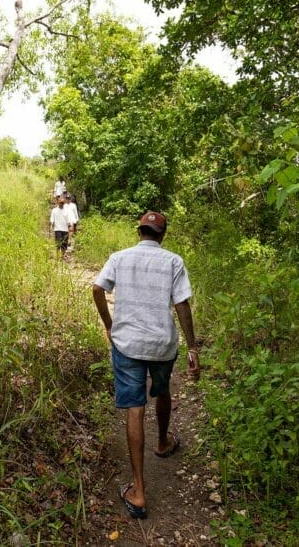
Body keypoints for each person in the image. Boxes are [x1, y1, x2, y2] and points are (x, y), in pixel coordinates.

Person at [92, 211, 200, 520]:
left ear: (139, 231)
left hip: (127, 344)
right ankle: (163, 441)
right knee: (162, 391)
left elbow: (98, 289)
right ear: (162, 234)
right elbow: (182, 304)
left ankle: (138, 491)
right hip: (162, 345)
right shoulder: (173, 261)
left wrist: (109, 325)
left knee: (134, 408)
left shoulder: (119, 258)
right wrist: (192, 347)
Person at [48, 195, 72, 260]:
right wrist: (51, 227)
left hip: (65, 230)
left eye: (62, 202)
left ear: (64, 203)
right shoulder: (54, 210)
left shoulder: (66, 211)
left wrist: (70, 227)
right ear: (58, 202)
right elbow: (52, 219)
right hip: (57, 229)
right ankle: (58, 256)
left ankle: (62, 256)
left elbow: (69, 220)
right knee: (58, 244)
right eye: (60, 202)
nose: (61, 203)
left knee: (64, 245)